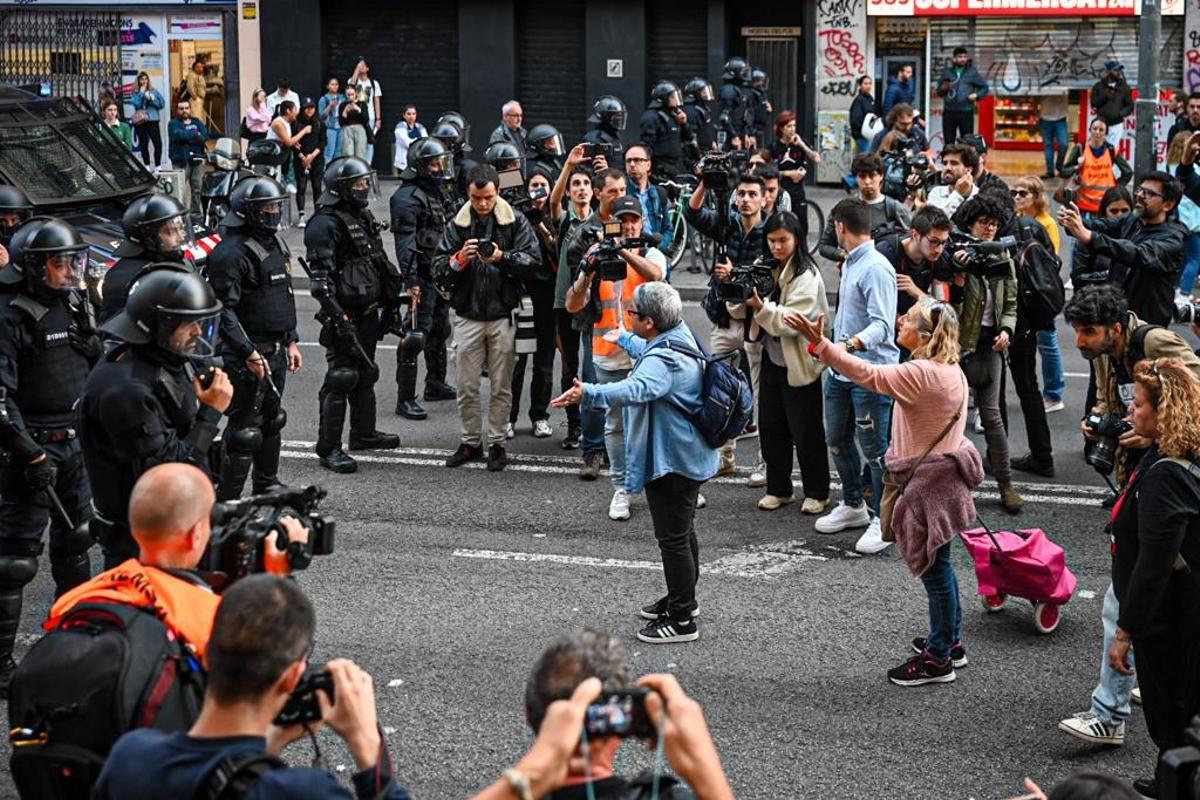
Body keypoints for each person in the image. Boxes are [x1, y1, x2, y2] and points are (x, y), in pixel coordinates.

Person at [791, 298, 981, 685]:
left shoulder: (922, 373)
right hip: (943, 482)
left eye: (908, 318)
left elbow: (869, 375)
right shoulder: (948, 369)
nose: (900, 319)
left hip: (928, 486)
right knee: (941, 566)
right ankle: (950, 641)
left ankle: (939, 659)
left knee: (935, 570)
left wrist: (823, 346)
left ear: (925, 336)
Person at [93, 575, 412, 800]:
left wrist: (267, 746)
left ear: (205, 656)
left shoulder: (131, 759)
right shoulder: (302, 792)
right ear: (292, 677)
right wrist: (367, 745)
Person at [552, 283, 718, 643]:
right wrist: (626, 340)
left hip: (672, 460)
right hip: (688, 453)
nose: (628, 315)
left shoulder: (663, 360)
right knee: (683, 531)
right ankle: (682, 599)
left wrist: (589, 392)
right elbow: (652, 356)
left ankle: (683, 618)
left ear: (650, 321)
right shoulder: (677, 334)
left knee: (673, 539)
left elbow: (637, 388)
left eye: (633, 314)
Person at [47, 463, 306, 663]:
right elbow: (275, 679)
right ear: (195, 536)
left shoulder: (72, 603)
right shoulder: (212, 618)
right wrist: (279, 579)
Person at [0, 218, 100, 692]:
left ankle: (73, 636)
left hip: (74, 441)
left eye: (73, 261)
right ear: (34, 268)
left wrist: (98, 347)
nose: (71, 271)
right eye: (60, 264)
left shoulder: (77, 302)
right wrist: (28, 454)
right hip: (34, 448)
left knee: (76, 541)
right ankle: (1, 662)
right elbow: (1, 399)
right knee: (16, 560)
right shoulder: (12, 314)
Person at [81, 269, 232, 568]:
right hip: (143, 539)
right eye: (189, 324)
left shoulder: (159, 358)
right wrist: (211, 412)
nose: (199, 333)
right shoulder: (125, 390)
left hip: (175, 521)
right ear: (160, 326)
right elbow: (170, 473)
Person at [1107, 358, 1200, 798]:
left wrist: (1126, 631)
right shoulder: (1173, 454)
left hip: (1170, 621)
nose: (1130, 411)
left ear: (1163, 411)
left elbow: (1154, 562)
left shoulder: (1166, 476)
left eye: (1138, 405)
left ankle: (1176, 786)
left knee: (1173, 717)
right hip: (1181, 612)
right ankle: (1169, 778)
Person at [516, 629, 735, 800]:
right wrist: (705, 768)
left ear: (528, 715)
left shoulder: (504, 792)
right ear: (619, 721)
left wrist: (529, 773)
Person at [433, 163, 541, 472]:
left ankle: (496, 443)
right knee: (466, 386)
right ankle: (470, 442)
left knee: (501, 385)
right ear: (468, 193)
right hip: (467, 315)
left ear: (497, 192)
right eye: (477, 198)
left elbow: (533, 263)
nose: (482, 204)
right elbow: (438, 268)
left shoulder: (514, 220)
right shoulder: (457, 223)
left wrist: (500, 257)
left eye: (488, 197)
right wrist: (457, 261)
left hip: (503, 314)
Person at [564, 195, 665, 521]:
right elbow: (572, 305)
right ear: (612, 223)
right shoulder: (597, 255)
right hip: (607, 356)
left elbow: (656, 277)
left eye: (634, 220)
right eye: (622, 221)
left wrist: (621, 250)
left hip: (647, 357)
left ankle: (666, 483)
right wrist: (588, 274)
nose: (629, 225)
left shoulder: (652, 253)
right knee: (616, 426)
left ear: (642, 222)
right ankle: (622, 488)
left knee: (660, 423)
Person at [810, 199, 899, 553]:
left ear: (840, 227)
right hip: (841, 372)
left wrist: (847, 346)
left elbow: (882, 325)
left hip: (871, 374)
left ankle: (883, 519)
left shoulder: (876, 268)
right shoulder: (850, 263)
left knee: (876, 451)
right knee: (837, 439)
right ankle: (852, 504)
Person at [304, 157, 401, 473]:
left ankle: (363, 433)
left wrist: (390, 302)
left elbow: (376, 259)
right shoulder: (324, 224)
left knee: (366, 372)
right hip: (345, 313)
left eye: (365, 182)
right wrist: (339, 319)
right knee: (341, 377)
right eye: (358, 183)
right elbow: (321, 284)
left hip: (370, 310)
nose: (364, 188)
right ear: (341, 188)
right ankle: (329, 448)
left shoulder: (361, 215)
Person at [206, 176, 301, 500]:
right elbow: (223, 310)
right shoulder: (230, 253)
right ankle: (228, 498)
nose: (276, 212)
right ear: (250, 212)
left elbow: (281, 296)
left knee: (272, 420)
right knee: (245, 428)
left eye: (278, 206)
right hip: (248, 355)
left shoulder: (274, 243)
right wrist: (247, 352)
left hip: (274, 350)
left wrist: (291, 340)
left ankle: (267, 483)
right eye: (270, 207)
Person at [745, 211, 830, 514]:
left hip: (800, 364)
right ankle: (779, 488)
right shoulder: (765, 267)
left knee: (806, 431)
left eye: (783, 240)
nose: (777, 247)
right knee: (771, 427)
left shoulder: (807, 274)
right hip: (772, 359)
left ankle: (818, 491)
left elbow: (789, 322)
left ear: (797, 239)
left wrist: (759, 306)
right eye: (772, 241)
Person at [685, 172, 768, 477]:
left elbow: (767, 278)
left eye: (751, 194)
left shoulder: (770, 231)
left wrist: (735, 275)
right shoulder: (727, 223)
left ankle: (764, 462)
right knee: (719, 389)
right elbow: (692, 213)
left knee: (759, 395)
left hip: (753, 323)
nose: (745, 200)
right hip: (723, 319)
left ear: (763, 198)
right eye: (741, 194)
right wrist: (705, 181)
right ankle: (725, 457)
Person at [949, 193, 1023, 512]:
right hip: (957, 347)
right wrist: (959, 274)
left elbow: (1010, 301)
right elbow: (948, 303)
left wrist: (1007, 330)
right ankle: (948, 485)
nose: (990, 230)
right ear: (970, 223)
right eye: (984, 223)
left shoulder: (1001, 254)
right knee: (951, 416)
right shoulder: (956, 252)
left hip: (990, 344)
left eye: (994, 224)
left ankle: (1006, 484)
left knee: (992, 417)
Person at [560, 164, 625, 478]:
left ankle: (620, 449)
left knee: (627, 388)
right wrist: (594, 255)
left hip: (629, 320)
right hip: (596, 321)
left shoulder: (632, 225)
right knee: (591, 385)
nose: (618, 197)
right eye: (612, 191)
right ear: (599, 194)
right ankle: (592, 452)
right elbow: (576, 282)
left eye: (622, 191)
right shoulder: (585, 232)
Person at [1059, 171, 1187, 327]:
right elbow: (1102, 225)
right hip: (1118, 318)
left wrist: (1091, 237)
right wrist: (1073, 221)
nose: (1139, 195)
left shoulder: (1172, 239)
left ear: (1168, 204)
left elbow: (1137, 253)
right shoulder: (1133, 220)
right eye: (1140, 189)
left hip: (1146, 326)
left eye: (1148, 193)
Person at [390, 137, 457, 420]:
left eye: (442, 162)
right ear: (420, 166)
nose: (440, 168)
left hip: (441, 272)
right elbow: (405, 244)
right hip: (423, 276)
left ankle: (435, 383)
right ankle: (404, 399)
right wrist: (412, 282)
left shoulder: (438, 191)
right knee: (415, 334)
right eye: (434, 163)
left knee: (441, 328)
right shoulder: (406, 198)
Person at [508, 168, 559, 440]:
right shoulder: (516, 216)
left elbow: (557, 252)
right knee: (517, 359)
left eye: (543, 185)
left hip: (548, 298)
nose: (538, 190)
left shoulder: (555, 216)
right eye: (533, 185)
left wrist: (540, 223)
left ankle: (539, 415)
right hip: (523, 295)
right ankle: (509, 417)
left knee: (544, 361)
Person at [550, 153, 597, 452]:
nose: (581, 188)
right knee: (570, 366)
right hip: (562, 303)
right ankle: (574, 426)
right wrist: (568, 166)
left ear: (594, 190)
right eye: (575, 184)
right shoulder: (564, 219)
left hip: (592, 305)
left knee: (595, 367)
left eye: (586, 183)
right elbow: (552, 202)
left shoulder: (601, 221)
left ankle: (596, 426)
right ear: (569, 190)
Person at [1011, 177, 1067, 415]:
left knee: (1047, 342)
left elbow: (1047, 260)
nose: (1017, 197)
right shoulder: (1015, 221)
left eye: (1023, 193)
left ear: (1036, 196)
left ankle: (1054, 393)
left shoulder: (1047, 223)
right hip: (1021, 292)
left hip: (1040, 292)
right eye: (1014, 192)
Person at [100, 193, 193, 324]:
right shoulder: (123, 279)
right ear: (149, 236)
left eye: (180, 229)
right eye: (171, 231)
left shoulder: (179, 260)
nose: (180, 237)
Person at [818, 153, 911, 264]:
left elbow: (913, 241)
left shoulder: (895, 208)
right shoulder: (845, 209)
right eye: (862, 176)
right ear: (856, 178)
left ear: (881, 176)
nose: (867, 182)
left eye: (872, 176)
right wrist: (844, 255)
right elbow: (824, 246)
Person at [875, 204, 956, 318]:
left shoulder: (940, 259)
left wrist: (916, 292)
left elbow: (942, 310)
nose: (939, 249)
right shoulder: (887, 254)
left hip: (913, 319)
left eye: (943, 242)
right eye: (933, 241)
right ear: (915, 234)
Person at [1058, 119, 1133, 220]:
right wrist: (1076, 167)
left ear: (1106, 133)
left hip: (1106, 205)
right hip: (1084, 207)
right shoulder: (1080, 149)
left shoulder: (1111, 150)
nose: (1097, 132)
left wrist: (1116, 188)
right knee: (1083, 234)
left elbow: (1128, 172)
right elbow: (1063, 172)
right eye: (1095, 129)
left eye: (1101, 130)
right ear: (1090, 130)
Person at [1165, 131, 1200, 296]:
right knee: (1193, 258)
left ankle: (1175, 290)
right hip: (1192, 222)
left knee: (1182, 257)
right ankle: (1184, 292)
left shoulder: (1169, 167)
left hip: (1178, 220)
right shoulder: (1192, 169)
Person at [623, 144, 672, 255]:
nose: (632, 164)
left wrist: (659, 249)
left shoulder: (659, 193)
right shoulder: (622, 193)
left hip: (656, 256)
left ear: (648, 165)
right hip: (632, 255)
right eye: (628, 161)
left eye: (637, 160)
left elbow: (667, 228)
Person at [936, 47, 989, 146]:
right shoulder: (947, 72)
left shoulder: (972, 72)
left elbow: (985, 88)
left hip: (966, 111)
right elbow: (939, 92)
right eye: (960, 57)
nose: (963, 59)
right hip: (949, 112)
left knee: (967, 141)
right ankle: (949, 160)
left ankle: (965, 161)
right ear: (954, 58)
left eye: (964, 57)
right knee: (948, 141)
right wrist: (944, 88)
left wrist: (977, 95)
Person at [771, 110, 820, 218]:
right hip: (780, 191)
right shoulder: (774, 147)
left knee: (802, 226)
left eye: (794, 126)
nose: (792, 129)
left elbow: (816, 159)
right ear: (781, 128)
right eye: (789, 126)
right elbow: (769, 172)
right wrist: (788, 173)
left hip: (798, 192)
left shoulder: (800, 143)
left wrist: (802, 144)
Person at [168, 99, 210, 217]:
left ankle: (196, 214)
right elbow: (177, 135)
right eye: (181, 109)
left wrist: (189, 136)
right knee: (178, 191)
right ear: (177, 110)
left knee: (197, 189)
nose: (184, 111)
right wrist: (195, 134)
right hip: (180, 160)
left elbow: (205, 136)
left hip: (197, 161)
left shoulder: (197, 122)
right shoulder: (173, 123)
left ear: (190, 109)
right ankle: (178, 214)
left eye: (186, 108)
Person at [640, 81, 690, 178]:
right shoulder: (651, 117)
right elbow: (647, 145)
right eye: (672, 97)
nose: (676, 100)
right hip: (660, 167)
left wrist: (684, 124)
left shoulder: (674, 115)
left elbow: (686, 138)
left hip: (675, 164)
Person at [293, 98, 325, 228]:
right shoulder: (296, 123)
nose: (309, 110)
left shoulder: (320, 123)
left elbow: (323, 142)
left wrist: (312, 156)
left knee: (317, 186)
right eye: (307, 107)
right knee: (301, 186)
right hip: (301, 158)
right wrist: (302, 157)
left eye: (311, 107)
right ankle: (301, 214)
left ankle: (318, 213)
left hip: (316, 157)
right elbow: (293, 143)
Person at [924, 142, 979, 218]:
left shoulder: (979, 196)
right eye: (945, 163)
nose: (947, 168)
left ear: (968, 170)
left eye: (954, 163)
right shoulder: (936, 192)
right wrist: (957, 195)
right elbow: (933, 223)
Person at [267, 100, 310, 189]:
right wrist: (304, 131)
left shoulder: (287, 122)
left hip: (278, 155)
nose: (296, 112)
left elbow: (286, 139)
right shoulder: (278, 123)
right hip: (270, 156)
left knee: (278, 181)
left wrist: (295, 143)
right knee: (273, 183)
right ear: (288, 111)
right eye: (294, 109)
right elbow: (289, 142)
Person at [1090, 61, 1134, 147]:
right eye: (1115, 70)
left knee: (1112, 149)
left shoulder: (1124, 87)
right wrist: (1105, 96)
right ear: (1108, 71)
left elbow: (1130, 105)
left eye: (1119, 70)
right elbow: (1094, 103)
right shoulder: (1099, 86)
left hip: (1116, 124)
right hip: (1101, 124)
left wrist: (1120, 114)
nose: (1118, 73)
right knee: (1099, 148)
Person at [348, 58, 382, 166]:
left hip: (370, 117)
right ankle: (358, 166)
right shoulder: (353, 80)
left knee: (369, 142)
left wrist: (378, 118)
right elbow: (351, 85)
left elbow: (376, 101)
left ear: (367, 68)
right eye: (359, 65)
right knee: (357, 142)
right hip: (356, 117)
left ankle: (367, 165)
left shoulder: (373, 83)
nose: (361, 67)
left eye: (363, 65)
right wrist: (357, 69)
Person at [131, 71, 165, 167]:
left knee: (157, 143)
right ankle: (147, 165)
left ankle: (158, 166)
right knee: (143, 143)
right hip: (140, 121)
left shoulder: (154, 91)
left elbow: (162, 104)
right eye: (142, 79)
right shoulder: (135, 92)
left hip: (152, 119)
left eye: (146, 79)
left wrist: (152, 100)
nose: (144, 81)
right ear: (138, 80)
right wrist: (141, 93)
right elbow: (136, 104)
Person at [717, 57, 753, 148]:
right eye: (742, 71)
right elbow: (724, 117)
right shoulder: (728, 90)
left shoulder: (740, 89)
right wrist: (734, 136)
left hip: (739, 132)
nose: (746, 73)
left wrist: (745, 134)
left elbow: (744, 115)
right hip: (730, 134)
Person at [681, 77, 715, 163]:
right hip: (696, 154)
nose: (706, 93)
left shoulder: (702, 108)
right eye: (703, 91)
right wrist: (698, 157)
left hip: (706, 150)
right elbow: (691, 137)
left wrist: (711, 142)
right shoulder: (690, 110)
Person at [0, 186, 34, 270]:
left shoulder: (30, 246)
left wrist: (7, 267)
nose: (10, 225)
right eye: (2, 221)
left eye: (14, 220)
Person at [583, 96, 627, 160]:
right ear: (605, 116)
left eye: (619, 115)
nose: (618, 118)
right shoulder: (593, 139)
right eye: (615, 115)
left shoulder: (615, 136)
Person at [1038, 91, 1070, 179]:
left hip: (1061, 117)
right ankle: (1050, 171)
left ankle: (1059, 166)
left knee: (1064, 144)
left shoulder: (1064, 79)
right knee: (1048, 145)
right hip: (1045, 116)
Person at [392, 104, 427, 174]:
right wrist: (419, 142)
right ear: (404, 115)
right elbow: (408, 144)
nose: (411, 116)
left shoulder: (420, 127)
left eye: (413, 114)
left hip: (418, 162)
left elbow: (426, 142)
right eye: (409, 114)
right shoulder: (400, 127)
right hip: (404, 164)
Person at [319, 76, 346, 166]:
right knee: (329, 152)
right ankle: (325, 173)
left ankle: (335, 173)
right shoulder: (324, 99)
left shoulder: (342, 97)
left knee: (338, 152)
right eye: (332, 84)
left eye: (336, 84)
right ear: (328, 86)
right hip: (330, 127)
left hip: (341, 127)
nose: (335, 86)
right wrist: (330, 106)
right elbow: (321, 117)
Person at [338, 86, 370, 161]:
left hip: (360, 129)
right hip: (348, 129)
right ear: (345, 95)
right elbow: (341, 123)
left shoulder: (362, 104)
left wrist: (358, 110)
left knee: (360, 154)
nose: (350, 96)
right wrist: (345, 111)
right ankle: (349, 171)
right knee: (347, 153)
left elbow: (366, 119)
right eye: (348, 95)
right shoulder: (343, 105)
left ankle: (360, 171)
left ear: (356, 94)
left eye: (352, 94)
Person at [849, 76, 877, 154]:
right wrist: (865, 127)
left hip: (869, 135)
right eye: (865, 83)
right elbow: (855, 120)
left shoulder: (870, 99)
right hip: (862, 136)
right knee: (864, 160)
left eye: (870, 83)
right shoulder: (859, 100)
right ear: (860, 85)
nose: (868, 86)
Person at [749, 68, 772, 147]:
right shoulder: (751, 94)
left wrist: (767, 111)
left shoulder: (760, 94)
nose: (763, 83)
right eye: (761, 80)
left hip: (759, 129)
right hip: (753, 131)